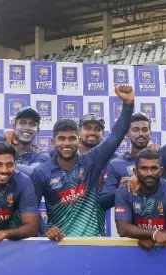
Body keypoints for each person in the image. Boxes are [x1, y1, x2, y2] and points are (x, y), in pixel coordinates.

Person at [31, 84, 134, 240]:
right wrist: (46, 229)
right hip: (59, 244)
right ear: (53, 142)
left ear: (78, 140)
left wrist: (128, 104)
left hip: (93, 242)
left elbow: (115, 137)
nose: (67, 143)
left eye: (72, 138)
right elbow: (31, 206)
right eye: (61, 139)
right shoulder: (41, 172)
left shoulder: (92, 161)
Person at [102, 79, 166, 205]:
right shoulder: (116, 164)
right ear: (127, 133)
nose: (141, 133)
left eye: (145, 129)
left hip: (161, 216)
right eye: (135, 129)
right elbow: (103, 202)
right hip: (128, 218)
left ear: (150, 132)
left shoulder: (161, 157)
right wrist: (123, 189)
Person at [113, 149, 166, 249]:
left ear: (161, 171)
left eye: (154, 168)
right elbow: (123, 228)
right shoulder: (124, 192)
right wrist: (154, 234)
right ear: (135, 171)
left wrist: (153, 238)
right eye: (144, 168)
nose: (149, 173)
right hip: (133, 252)